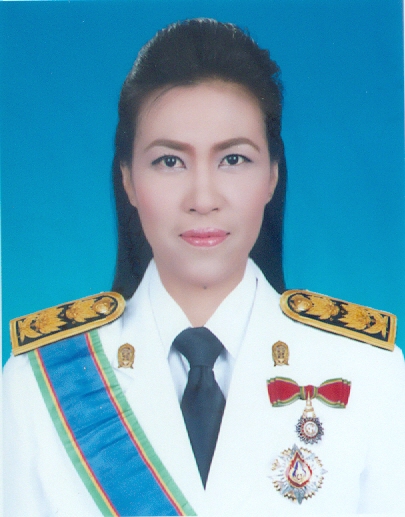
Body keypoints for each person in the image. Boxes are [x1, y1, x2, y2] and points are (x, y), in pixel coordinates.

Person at [3, 18, 405, 517]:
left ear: (273, 175)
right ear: (127, 179)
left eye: (233, 159)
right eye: (169, 162)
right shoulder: (39, 381)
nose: (202, 198)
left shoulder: (368, 370)